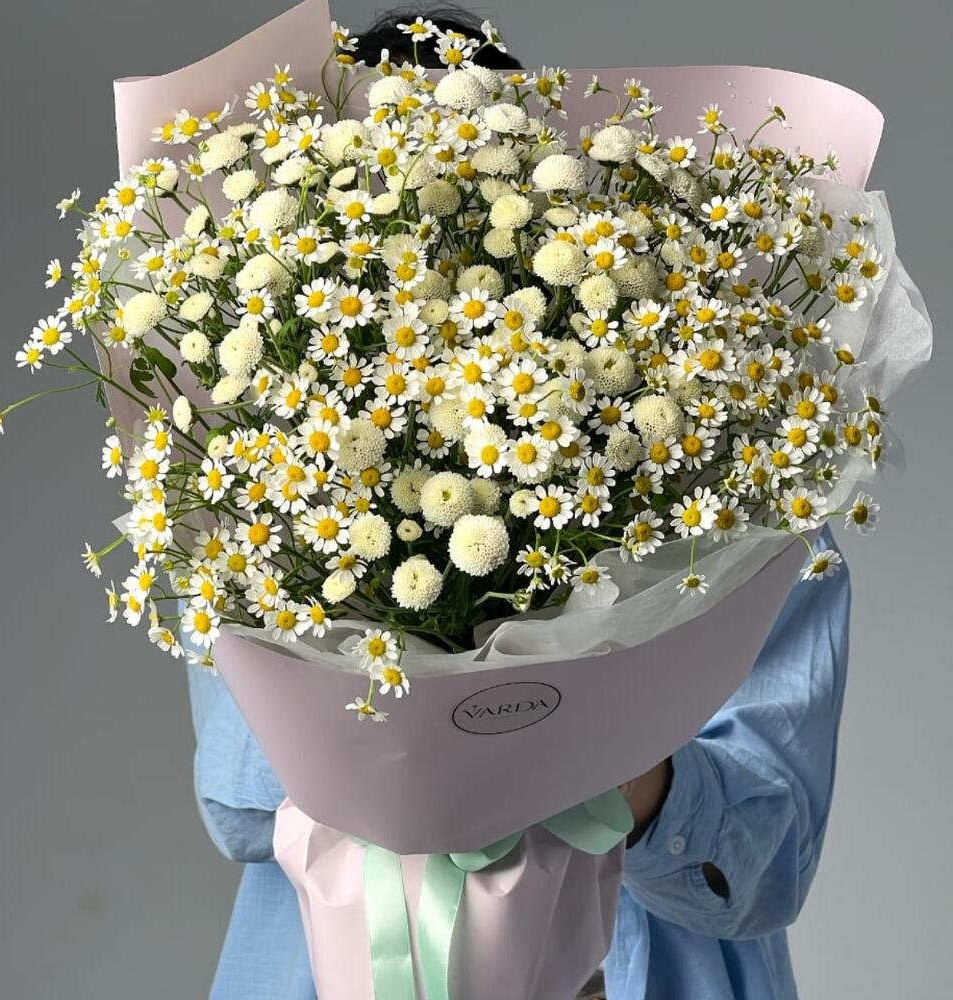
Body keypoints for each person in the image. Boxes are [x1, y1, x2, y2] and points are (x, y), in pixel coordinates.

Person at [180, 10, 853, 999]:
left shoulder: (736, 502)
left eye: (462, 186)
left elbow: (768, 863)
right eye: (363, 190)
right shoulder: (264, 497)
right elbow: (233, 809)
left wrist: (592, 753)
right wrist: (398, 722)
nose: (412, 229)